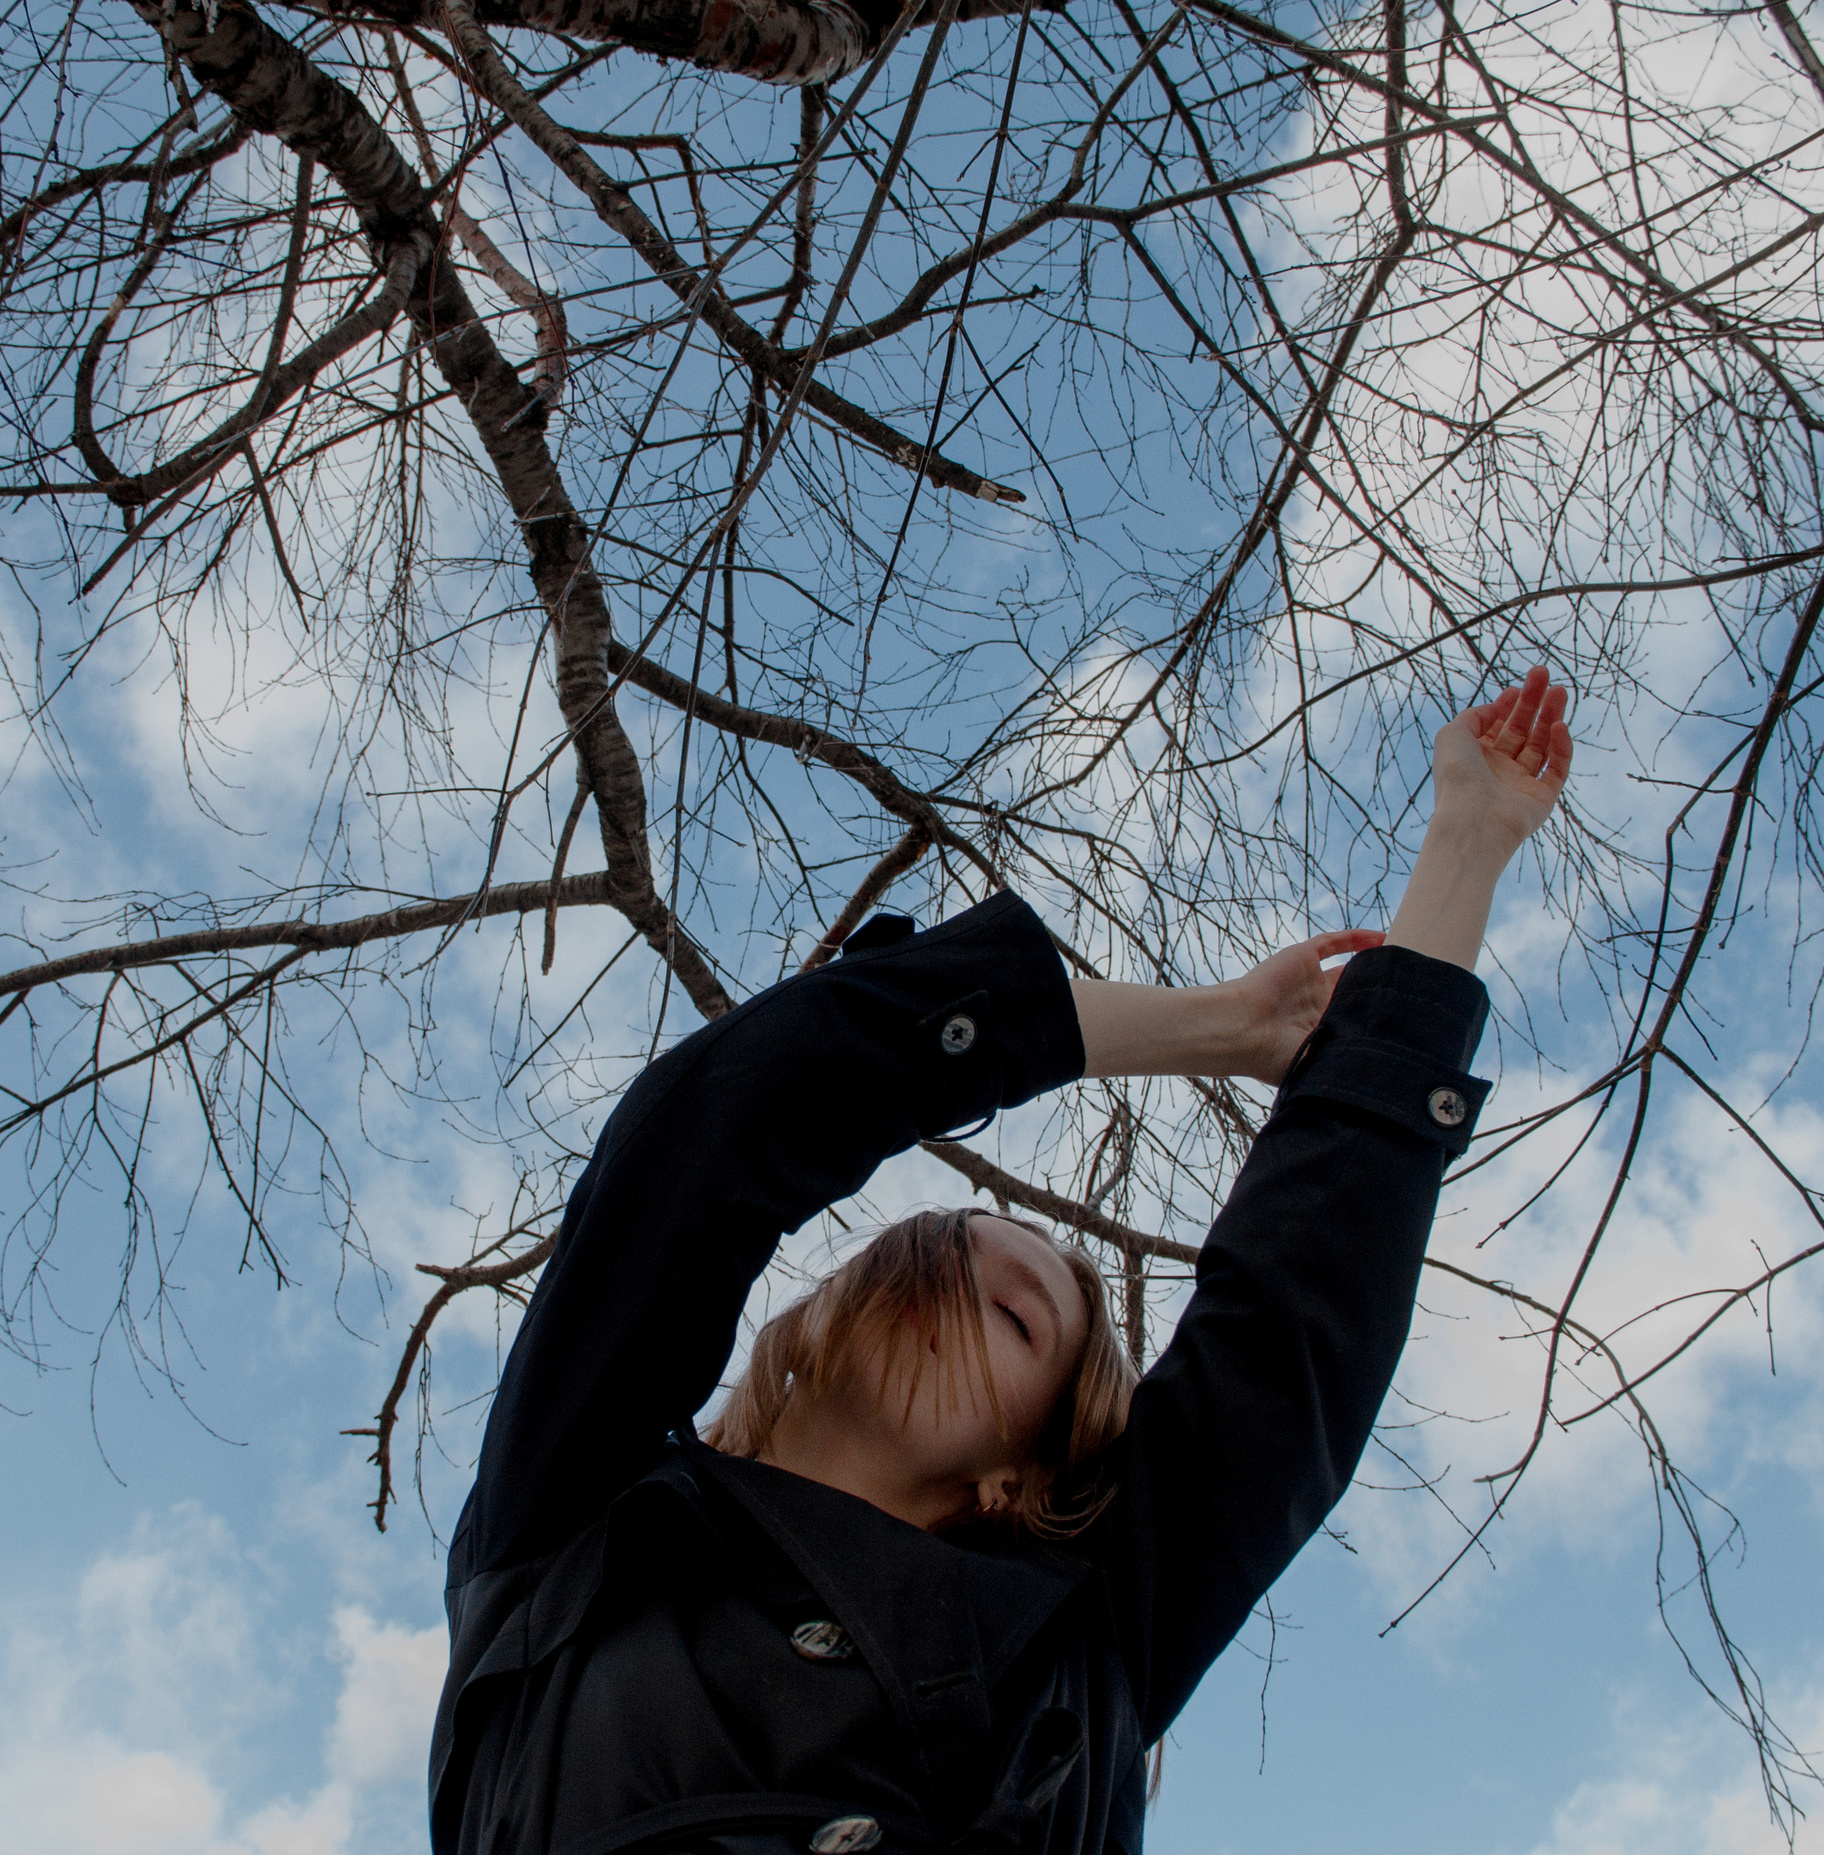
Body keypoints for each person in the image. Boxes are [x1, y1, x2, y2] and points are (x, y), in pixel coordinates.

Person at [429, 670, 1576, 1855]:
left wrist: (1465, 841)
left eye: (1016, 1317)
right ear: (811, 1323)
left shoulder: (1078, 1645)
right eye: (925, 1250)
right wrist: (1217, 1027)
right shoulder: (573, 1520)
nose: (949, 1275)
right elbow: (715, 1124)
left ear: (1020, 1475)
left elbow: (1296, 1325)